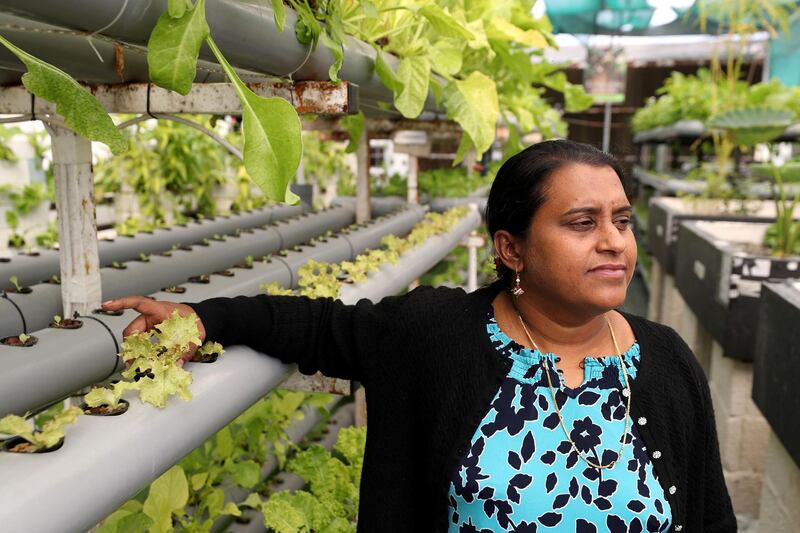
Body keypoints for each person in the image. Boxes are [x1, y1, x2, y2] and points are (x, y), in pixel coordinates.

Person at [103, 139, 736, 532]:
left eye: (621, 222)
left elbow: (709, 517)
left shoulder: (664, 360)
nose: (613, 242)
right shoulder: (439, 335)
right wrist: (205, 317)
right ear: (510, 248)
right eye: (581, 222)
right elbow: (321, 327)